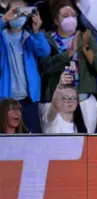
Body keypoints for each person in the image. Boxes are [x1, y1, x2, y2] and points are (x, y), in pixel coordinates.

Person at [39, 2, 97, 134]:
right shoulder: (46, 39)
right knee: (54, 146)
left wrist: (85, 48)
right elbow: (44, 68)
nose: (70, 18)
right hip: (55, 100)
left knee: (84, 145)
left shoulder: (85, 37)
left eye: (73, 15)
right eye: (65, 16)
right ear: (56, 20)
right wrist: (69, 53)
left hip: (83, 100)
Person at [0, 0, 50, 133]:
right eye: (15, 11)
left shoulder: (30, 36)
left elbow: (45, 51)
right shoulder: (1, 36)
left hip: (28, 99)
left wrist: (37, 31)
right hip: (5, 100)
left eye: (23, 12)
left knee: (31, 141)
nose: (18, 15)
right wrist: (4, 20)